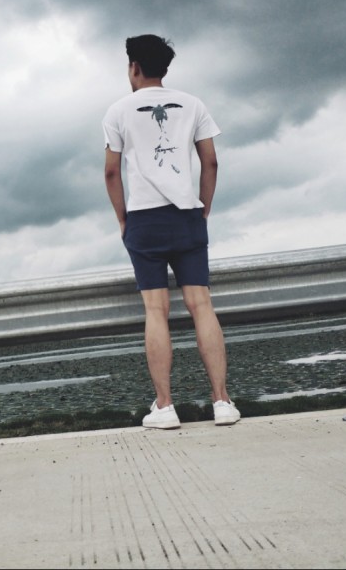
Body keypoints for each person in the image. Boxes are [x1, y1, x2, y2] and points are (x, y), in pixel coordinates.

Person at [102, 34, 240, 429]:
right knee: (201, 306)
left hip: (144, 220)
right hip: (187, 216)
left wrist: (123, 219)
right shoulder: (193, 104)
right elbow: (210, 162)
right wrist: (203, 208)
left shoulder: (118, 111)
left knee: (155, 311)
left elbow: (111, 172)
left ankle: (165, 407)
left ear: (134, 67)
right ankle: (222, 401)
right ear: (164, 67)